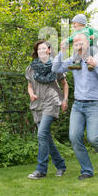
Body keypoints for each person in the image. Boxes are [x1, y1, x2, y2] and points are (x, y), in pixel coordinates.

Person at [52, 33, 98, 180]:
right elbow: (56, 69)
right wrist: (61, 51)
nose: (78, 46)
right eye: (76, 44)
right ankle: (87, 170)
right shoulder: (73, 60)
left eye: (81, 43)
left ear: (88, 44)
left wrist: (96, 65)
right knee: (74, 137)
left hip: (96, 104)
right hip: (78, 105)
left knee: (94, 138)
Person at [25, 40, 69, 179]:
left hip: (52, 101)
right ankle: (61, 165)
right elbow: (30, 85)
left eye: (44, 49)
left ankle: (41, 170)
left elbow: (65, 84)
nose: (41, 51)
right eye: (39, 49)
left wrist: (65, 99)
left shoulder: (56, 66)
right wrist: (31, 94)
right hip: (37, 104)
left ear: (49, 50)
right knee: (46, 138)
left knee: (42, 134)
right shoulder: (31, 67)